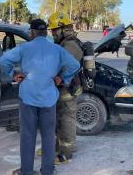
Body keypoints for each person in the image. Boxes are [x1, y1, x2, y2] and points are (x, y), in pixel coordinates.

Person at [0, 19, 80, 175]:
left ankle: (26, 171)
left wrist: (14, 75)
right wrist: (62, 79)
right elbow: (74, 65)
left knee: (27, 135)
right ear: (46, 32)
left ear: (32, 32)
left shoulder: (24, 48)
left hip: (28, 97)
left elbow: (3, 61)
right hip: (49, 99)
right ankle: (48, 170)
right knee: (49, 136)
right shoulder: (57, 49)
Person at [47, 12, 83, 164]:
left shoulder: (70, 45)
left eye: (54, 31)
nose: (53, 34)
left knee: (66, 121)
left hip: (68, 91)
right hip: (61, 90)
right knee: (59, 121)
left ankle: (66, 154)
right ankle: (56, 148)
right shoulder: (63, 43)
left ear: (62, 28)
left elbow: (66, 66)